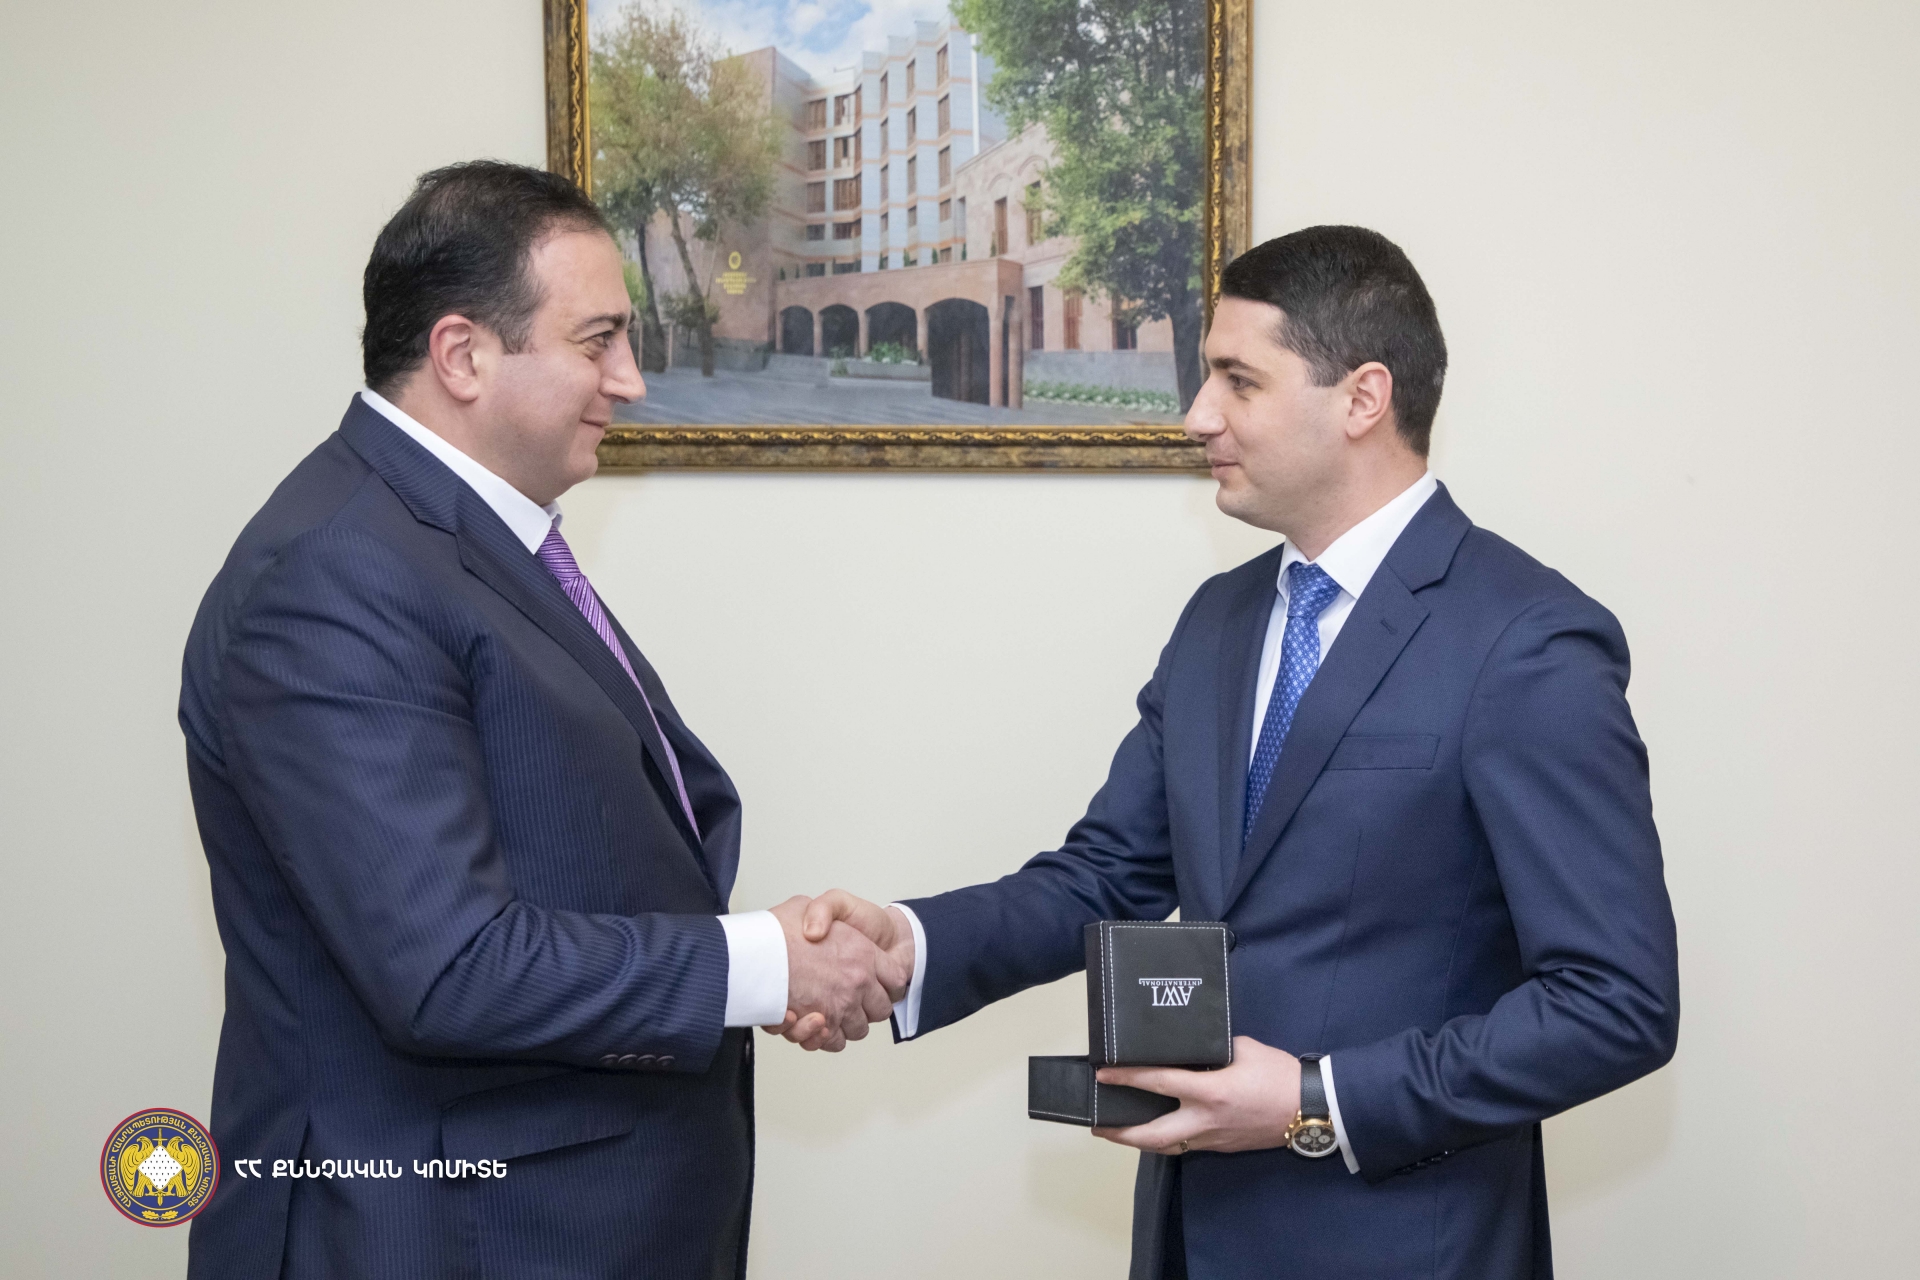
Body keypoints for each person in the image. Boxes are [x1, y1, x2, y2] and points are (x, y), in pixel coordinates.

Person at [797, 226, 1680, 1278]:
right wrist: (908, 946)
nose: (1198, 414)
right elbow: (1108, 874)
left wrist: (1316, 1100)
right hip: (1191, 1238)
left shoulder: (1525, 639)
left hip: (1407, 1249)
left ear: (1362, 398)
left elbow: (1614, 1002)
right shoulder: (1219, 618)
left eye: (1237, 380)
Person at [178, 161, 902, 1279]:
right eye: (598, 340)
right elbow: (449, 967)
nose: (632, 381)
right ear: (463, 355)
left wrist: (764, 957)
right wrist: (765, 963)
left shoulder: (460, 541)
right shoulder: (332, 576)